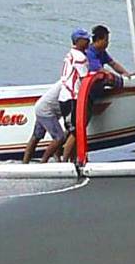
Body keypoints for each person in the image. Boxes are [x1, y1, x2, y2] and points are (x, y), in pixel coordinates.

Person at [58, 28, 91, 163]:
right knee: (75, 131)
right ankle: (65, 161)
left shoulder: (71, 54)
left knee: (71, 130)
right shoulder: (80, 58)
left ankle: (71, 159)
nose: (88, 41)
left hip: (65, 96)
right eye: (85, 39)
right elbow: (84, 79)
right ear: (78, 41)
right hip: (72, 97)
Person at [22, 80, 65, 164]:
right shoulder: (69, 83)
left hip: (42, 107)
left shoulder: (66, 80)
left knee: (36, 137)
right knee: (59, 137)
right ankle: (43, 162)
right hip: (46, 111)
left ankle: (25, 162)